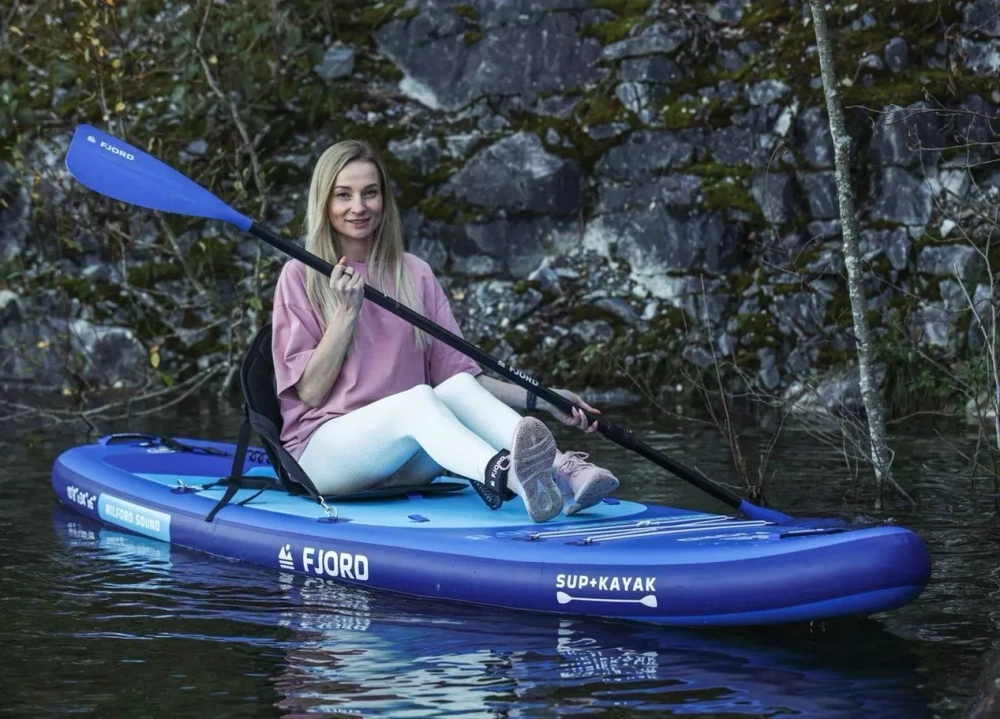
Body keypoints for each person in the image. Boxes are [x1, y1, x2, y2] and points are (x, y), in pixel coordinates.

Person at [270, 139, 619, 523]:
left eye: (370, 193)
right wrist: (346, 312)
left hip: (407, 456)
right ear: (324, 202)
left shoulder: (414, 273)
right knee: (419, 398)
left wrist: (542, 398)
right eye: (343, 195)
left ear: (384, 199)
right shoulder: (300, 275)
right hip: (327, 456)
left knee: (450, 389)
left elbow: (463, 381)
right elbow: (311, 392)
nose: (359, 207)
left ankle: (562, 470)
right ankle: (505, 475)